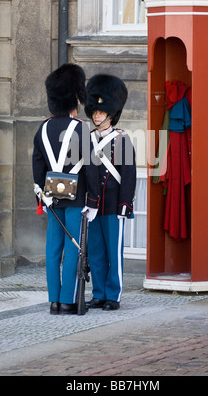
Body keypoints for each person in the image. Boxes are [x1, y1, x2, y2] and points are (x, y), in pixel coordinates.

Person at [32, 64, 100, 315]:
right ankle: (67, 301)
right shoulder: (81, 128)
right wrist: (92, 200)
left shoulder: (42, 129)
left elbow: (37, 168)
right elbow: (91, 168)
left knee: (53, 249)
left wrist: (40, 197)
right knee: (74, 247)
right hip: (76, 197)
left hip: (51, 197)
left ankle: (53, 301)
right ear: (75, 99)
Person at [84, 74, 136, 311]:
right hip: (94, 206)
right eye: (94, 111)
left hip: (114, 204)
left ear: (111, 113)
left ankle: (113, 296)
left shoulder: (122, 140)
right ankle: (99, 293)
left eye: (101, 111)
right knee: (95, 252)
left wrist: (125, 203)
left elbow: (128, 175)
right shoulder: (87, 140)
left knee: (113, 254)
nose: (96, 114)